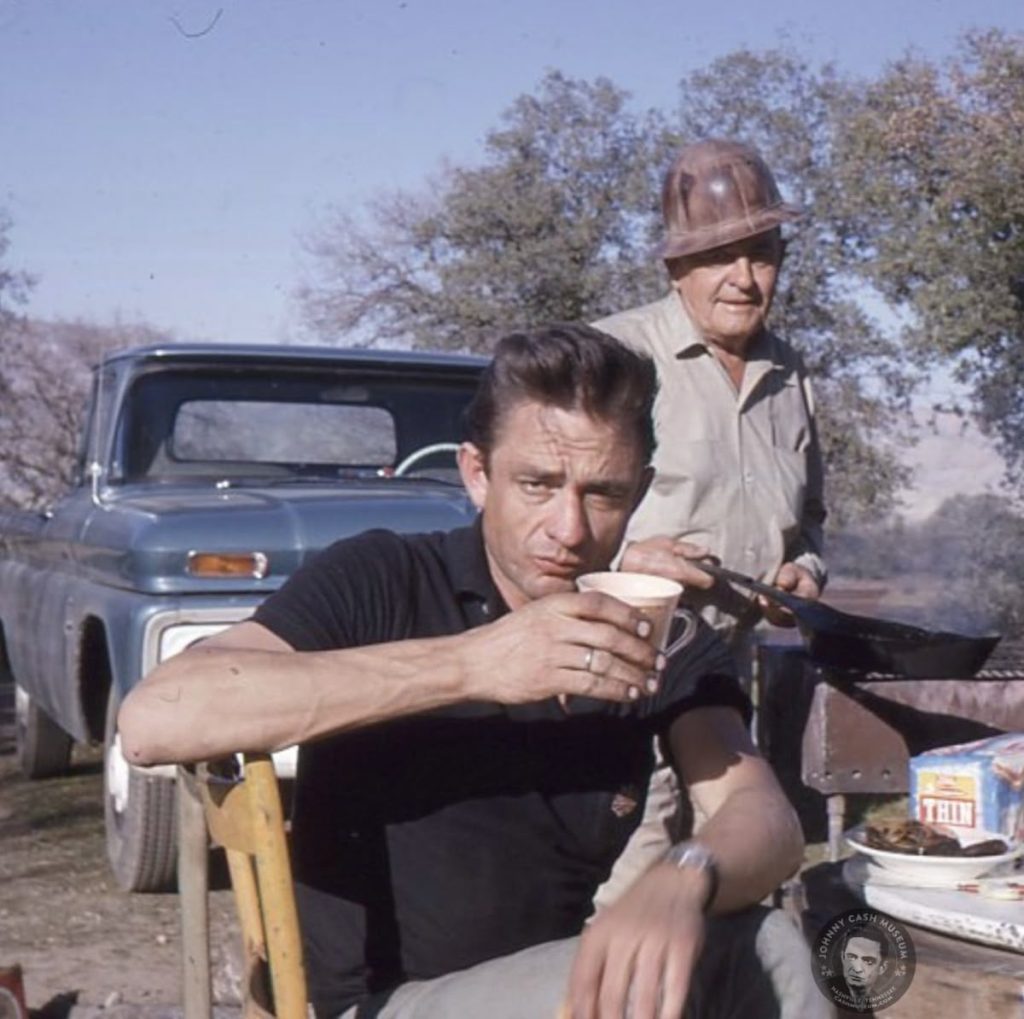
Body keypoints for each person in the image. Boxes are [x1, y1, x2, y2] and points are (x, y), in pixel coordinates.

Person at [119, 324, 827, 1019]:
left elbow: (766, 818)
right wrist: (475, 663)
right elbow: (155, 720)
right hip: (375, 1005)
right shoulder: (386, 577)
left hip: (542, 989)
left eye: (603, 494)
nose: (570, 529)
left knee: (768, 946)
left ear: (639, 495)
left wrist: (687, 874)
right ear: (477, 474)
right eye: (538, 484)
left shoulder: (652, 628)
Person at [591, 139, 828, 904]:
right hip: (630, 669)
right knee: (630, 884)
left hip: (729, 678)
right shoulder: (615, 354)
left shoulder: (791, 374)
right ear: (675, 267)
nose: (743, 277)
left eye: (761, 254)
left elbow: (812, 518)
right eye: (719, 256)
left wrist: (804, 572)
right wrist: (626, 558)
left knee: (733, 882)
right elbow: (549, 516)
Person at [836, 926, 889, 1011]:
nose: (857, 969)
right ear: (842, 957)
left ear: (882, 967)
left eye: (868, 961)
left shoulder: (881, 1005)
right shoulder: (823, 996)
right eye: (851, 957)